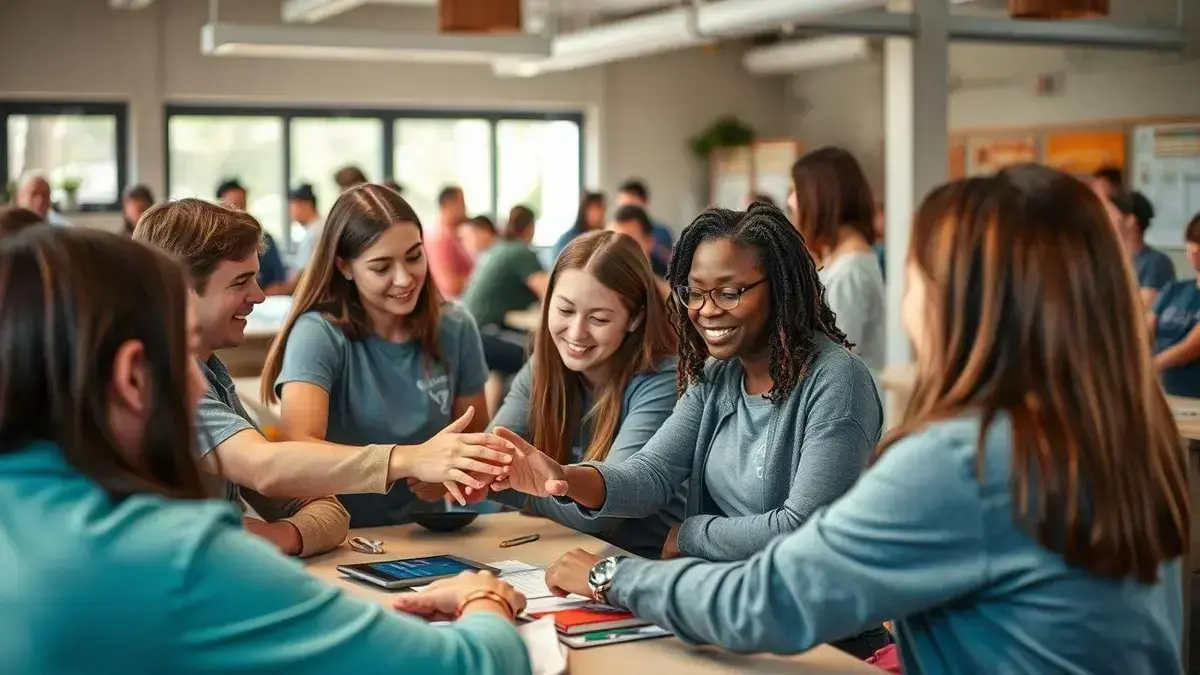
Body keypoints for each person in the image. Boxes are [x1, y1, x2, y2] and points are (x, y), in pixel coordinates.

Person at [542, 165, 1188, 674]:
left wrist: (613, 574)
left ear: (957, 304)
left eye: (910, 279)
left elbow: (767, 599)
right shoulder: (1115, 430)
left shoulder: (968, 456)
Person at [0, 226, 532, 675]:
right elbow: (470, 664)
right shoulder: (175, 556)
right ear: (134, 376)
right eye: (184, 348)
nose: (199, 376)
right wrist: (483, 597)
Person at [496, 202, 887, 657]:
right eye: (695, 293)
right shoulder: (719, 374)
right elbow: (651, 475)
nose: (706, 311)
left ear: (780, 289)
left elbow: (801, 529)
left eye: (729, 292)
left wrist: (692, 534)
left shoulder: (836, 380)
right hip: (722, 615)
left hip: (821, 641)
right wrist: (562, 476)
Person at [134, 199, 510, 516]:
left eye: (414, 257)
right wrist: (410, 459)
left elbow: (296, 499)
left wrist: (284, 536)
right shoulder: (166, 377)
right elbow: (268, 469)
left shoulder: (210, 372)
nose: (260, 296)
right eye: (239, 282)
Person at [261, 184, 501, 527]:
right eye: (381, 267)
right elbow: (298, 449)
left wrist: (452, 471)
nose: (404, 279)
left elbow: (474, 437)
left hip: (427, 538)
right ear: (345, 267)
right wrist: (410, 460)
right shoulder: (319, 332)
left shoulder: (455, 326)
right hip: (342, 539)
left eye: (415, 257)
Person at [463, 231, 681, 557]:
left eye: (598, 318)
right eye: (565, 311)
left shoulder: (661, 379)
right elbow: (488, 467)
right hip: (562, 552)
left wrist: (518, 488)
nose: (577, 332)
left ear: (635, 318)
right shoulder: (544, 365)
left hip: (637, 564)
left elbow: (602, 513)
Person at [789, 147, 886, 373]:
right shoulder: (842, 261)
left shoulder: (850, 272)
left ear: (820, 196)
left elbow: (835, 360)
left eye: (795, 190)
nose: (790, 200)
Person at [462, 206, 548, 378]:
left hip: (470, 333)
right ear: (530, 227)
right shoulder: (520, 252)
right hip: (486, 333)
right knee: (547, 356)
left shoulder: (498, 248)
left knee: (500, 370)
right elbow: (552, 293)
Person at [1092, 179, 1175, 305]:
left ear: (1132, 221)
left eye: (1113, 214)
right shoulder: (1106, 258)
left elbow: (1144, 307)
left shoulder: (1155, 263)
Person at [1151, 212, 1200, 397]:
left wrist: (1144, 368)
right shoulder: (1174, 289)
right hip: (1164, 397)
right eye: (1191, 241)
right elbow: (1145, 330)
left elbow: (1189, 349)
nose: (1194, 249)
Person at [216, 178, 288, 295]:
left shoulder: (263, 239)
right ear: (219, 207)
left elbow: (279, 282)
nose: (239, 211)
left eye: (242, 205)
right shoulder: (213, 244)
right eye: (233, 205)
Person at [427, 186, 474, 298]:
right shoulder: (441, 238)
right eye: (462, 203)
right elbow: (449, 285)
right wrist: (479, 278)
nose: (465, 209)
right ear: (447, 205)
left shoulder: (453, 235)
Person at [617, 178, 674, 264]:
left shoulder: (662, 233)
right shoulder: (613, 230)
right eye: (623, 207)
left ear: (645, 202)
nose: (627, 212)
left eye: (631, 206)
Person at [285, 183, 324, 291]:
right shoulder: (319, 225)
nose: (290, 211)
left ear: (305, 205)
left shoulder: (315, 232)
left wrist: (278, 290)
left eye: (292, 206)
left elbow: (299, 278)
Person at [552, 191, 606, 260]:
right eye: (592, 210)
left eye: (599, 209)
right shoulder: (569, 240)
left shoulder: (603, 237)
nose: (596, 215)